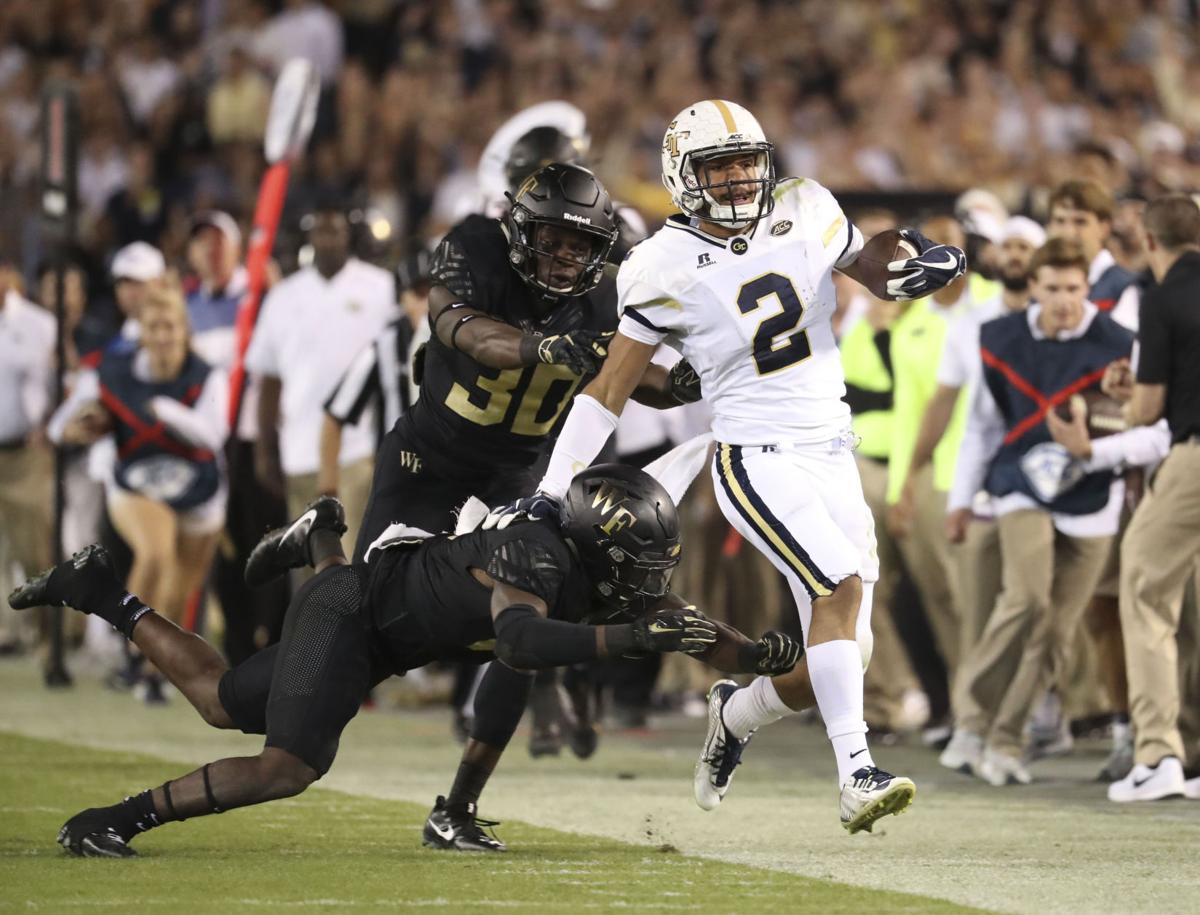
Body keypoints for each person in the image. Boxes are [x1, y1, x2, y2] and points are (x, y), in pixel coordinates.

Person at [490, 99, 967, 833]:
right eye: (722, 165)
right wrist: (553, 489)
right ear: (685, 175)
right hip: (755, 453)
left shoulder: (806, 205)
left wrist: (904, 267)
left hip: (832, 447)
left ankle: (736, 713)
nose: (742, 177)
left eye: (747, 160)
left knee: (846, 649)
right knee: (836, 586)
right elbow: (610, 386)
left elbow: (866, 263)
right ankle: (856, 776)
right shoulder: (658, 264)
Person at [9, 465, 800, 858]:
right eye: (635, 558)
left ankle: (103, 592)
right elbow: (522, 643)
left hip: (379, 624)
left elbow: (679, 621)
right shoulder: (538, 554)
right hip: (352, 613)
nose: (645, 580)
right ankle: (111, 821)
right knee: (287, 765)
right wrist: (632, 641)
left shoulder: (589, 569)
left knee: (221, 698)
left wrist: (756, 651)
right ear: (595, 540)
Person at [943, 238, 1161, 786]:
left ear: (1088, 287)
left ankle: (1004, 741)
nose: (1064, 299)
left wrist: (1097, 452)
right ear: (1032, 289)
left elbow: (1153, 430)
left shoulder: (1124, 345)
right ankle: (972, 718)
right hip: (1020, 484)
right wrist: (961, 500)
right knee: (1026, 600)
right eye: (1053, 288)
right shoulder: (999, 338)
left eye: (1074, 287)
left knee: (1057, 630)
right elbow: (982, 427)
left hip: (1094, 498)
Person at [48, 281, 230, 702]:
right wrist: (79, 428)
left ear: (185, 330)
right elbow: (60, 425)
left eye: (171, 326)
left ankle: (150, 670)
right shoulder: (111, 372)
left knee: (178, 591)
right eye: (155, 327)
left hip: (199, 489)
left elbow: (213, 436)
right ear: (142, 332)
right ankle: (129, 651)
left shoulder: (206, 376)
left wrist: (163, 410)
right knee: (156, 551)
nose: (163, 336)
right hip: (134, 479)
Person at [1101, 194, 1200, 802]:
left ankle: (1157, 755)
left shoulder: (1163, 298)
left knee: (1142, 590)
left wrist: (1129, 392)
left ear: (1151, 243)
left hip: (1192, 461)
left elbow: (1149, 410)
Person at [246, 203, 397, 557]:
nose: (329, 239)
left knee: (356, 557)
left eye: (337, 230)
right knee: (306, 563)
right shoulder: (283, 297)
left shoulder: (380, 286)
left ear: (350, 234)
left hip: (361, 449)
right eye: (321, 230)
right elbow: (268, 379)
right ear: (309, 236)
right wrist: (264, 448)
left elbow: (397, 364)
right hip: (299, 449)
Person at [185, 210, 290, 665]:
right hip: (209, 443)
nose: (210, 250)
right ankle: (238, 648)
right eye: (201, 242)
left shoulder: (262, 294)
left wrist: (275, 292)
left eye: (219, 241)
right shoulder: (189, 309)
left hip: (253, 439)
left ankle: (275, 645)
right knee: (224, 551)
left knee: (267, 544)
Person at [0, 256, 56, 657]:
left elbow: (55, 380)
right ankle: (10, 633)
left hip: (26, 452)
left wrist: (49, 422)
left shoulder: (39, 323)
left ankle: (48, 633)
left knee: (34, 547)